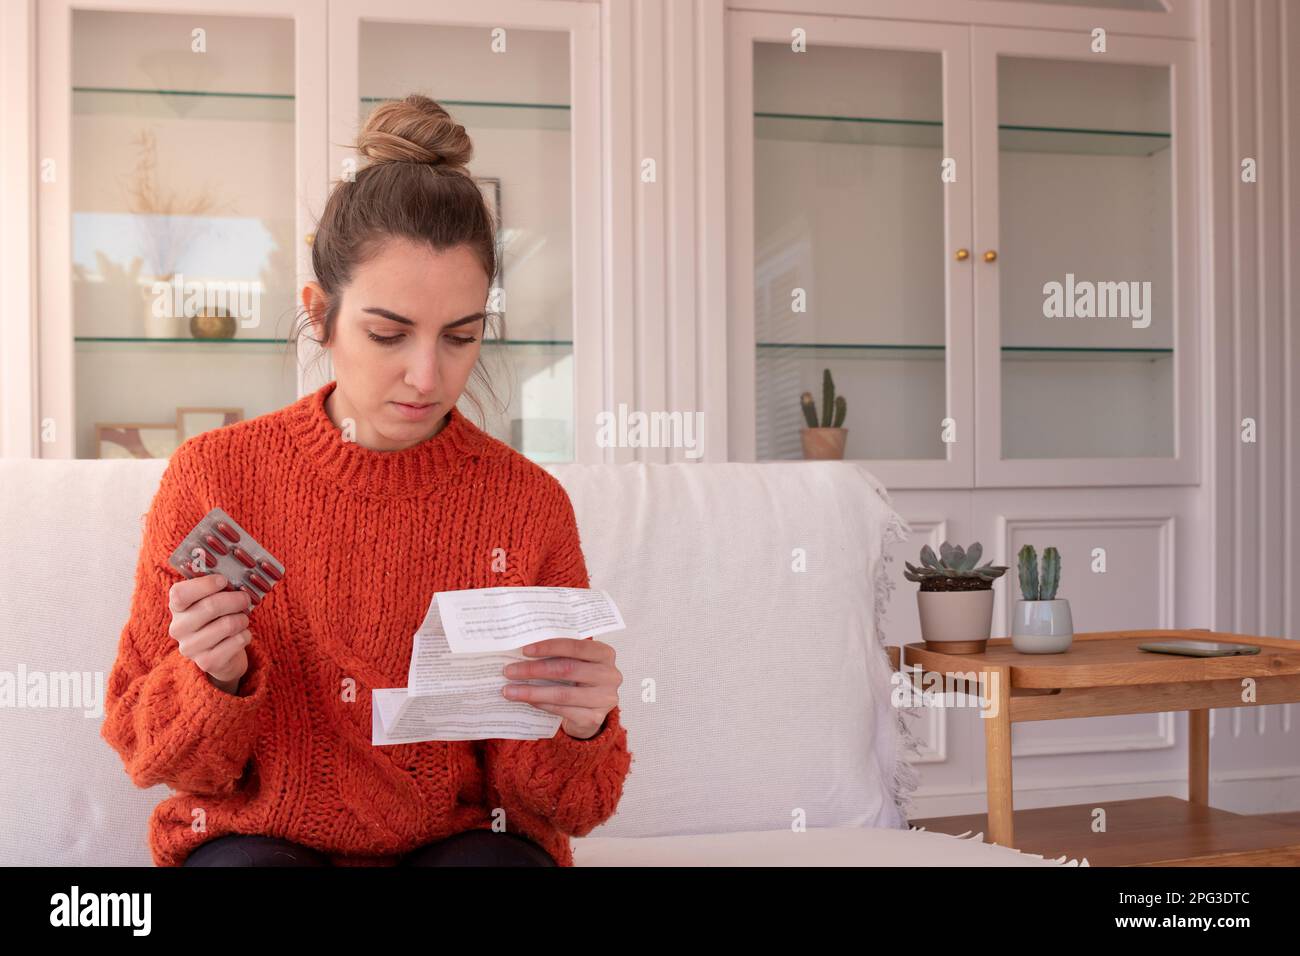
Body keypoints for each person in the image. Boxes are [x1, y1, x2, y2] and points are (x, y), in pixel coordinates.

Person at [100, 94, 632, 867]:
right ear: (320, 316)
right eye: (388, 334)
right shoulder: (215, 477)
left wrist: (580, 728)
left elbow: (560, 810)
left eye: (461, 336)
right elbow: (160, 760)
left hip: (462, 848)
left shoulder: (526, 506)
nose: (427, 376)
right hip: (261, 842)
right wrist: (211, 680)